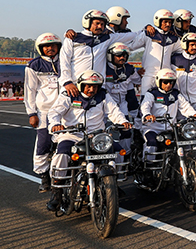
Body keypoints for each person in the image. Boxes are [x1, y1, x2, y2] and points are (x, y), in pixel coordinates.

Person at [47, 70, 132, 211]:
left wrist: (122, 122)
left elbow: (114, 112)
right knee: (61, 155)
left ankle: (112, 185)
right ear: (81, 84)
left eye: (95, 86)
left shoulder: (103, 95)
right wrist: (55, 124)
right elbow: (55, 112)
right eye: (88, 86)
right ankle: (57, 191)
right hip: (72, 135)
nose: (92, 89)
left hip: (96, 137)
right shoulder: (68, 94)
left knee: (119, 152)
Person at [59, 9, 151, 98]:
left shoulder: (107, 38)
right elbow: (64, 61)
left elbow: (132, 35)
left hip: (97, 87)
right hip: (74, 86)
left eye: (102, 24)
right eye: (97, 23)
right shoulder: (72, 39)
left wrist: (146, 30)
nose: (100, 26)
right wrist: (67, 82)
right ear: (88, 22)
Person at [140, 69, 196, 164]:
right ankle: (149, 168)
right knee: (151, 143)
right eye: (165, 82)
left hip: (171, 128)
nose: (168, 85)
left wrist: (194, 114)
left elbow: (185, 106)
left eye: (171, 82)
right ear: (159, 81)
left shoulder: (176, 94)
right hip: (153, 128)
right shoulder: (152, 93)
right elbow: (145, 106)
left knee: (186, 141)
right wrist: (148, 115)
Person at [24, 33, 62, 192]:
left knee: (66, 143)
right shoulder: (34, 65)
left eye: (53, 45)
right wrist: (31, 113)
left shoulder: (66, 62)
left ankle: (63, 174)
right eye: (46, 46)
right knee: (43, 144)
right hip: (44, 111)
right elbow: (29, 91)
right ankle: (44, 175)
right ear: (40, 48)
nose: (50, 48)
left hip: (65, 111)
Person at [103, 42, 141, 154]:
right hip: (107, 107)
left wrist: (140, 73)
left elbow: (137, 80)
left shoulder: (129, 69)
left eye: (124, 55)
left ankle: (125, 156)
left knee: (126, 132)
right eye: (119, 55)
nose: (122, 58)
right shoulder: (103, 68)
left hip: (122, 104)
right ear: (111, 56)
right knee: (107, 132)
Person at [138, 9, 181, 94]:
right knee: (145, 101)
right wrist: (133, 70)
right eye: (165, 22)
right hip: (149, 75)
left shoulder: (174, 38)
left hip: (166, 78)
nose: (168, 24)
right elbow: (130, 47)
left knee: (165, 103)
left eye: (170, 22)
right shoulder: (148, 34)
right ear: (158, 21)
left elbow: (186, 50)